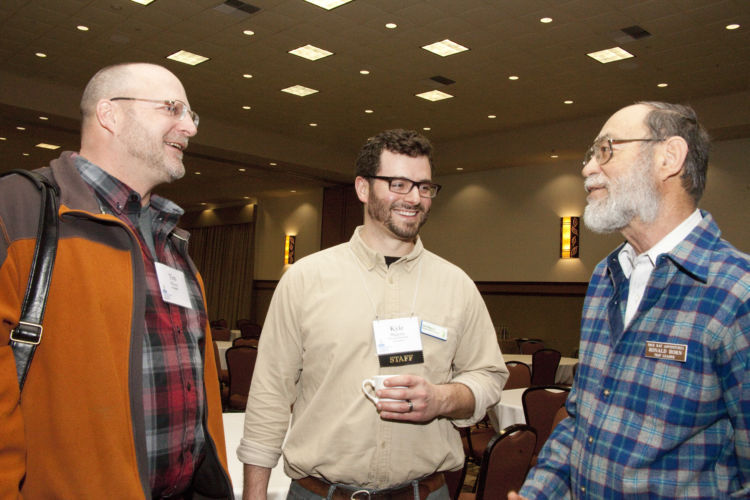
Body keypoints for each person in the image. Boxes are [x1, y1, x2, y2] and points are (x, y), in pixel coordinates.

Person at [0, 63, 233, 499]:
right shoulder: (17, 211)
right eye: (172, 108)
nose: (189, 127)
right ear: (110, 114)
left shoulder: (171, 239)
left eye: (191, 115)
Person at [238, 129, 508, 500]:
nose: (414, 198)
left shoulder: (457, 285)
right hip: (319, 493)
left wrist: (442, 399)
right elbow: (269, 394)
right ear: (363, 189)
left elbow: (489, 376)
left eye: (424, 187)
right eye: (398, 184)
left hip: (424, 493)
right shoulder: (305, 279)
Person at [510, 102, 750, 499]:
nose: (587, 168)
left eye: (606, 149)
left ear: (668, 157)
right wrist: (539, 491)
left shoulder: (736, 292)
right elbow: (581, 420)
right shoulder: (606, 278)